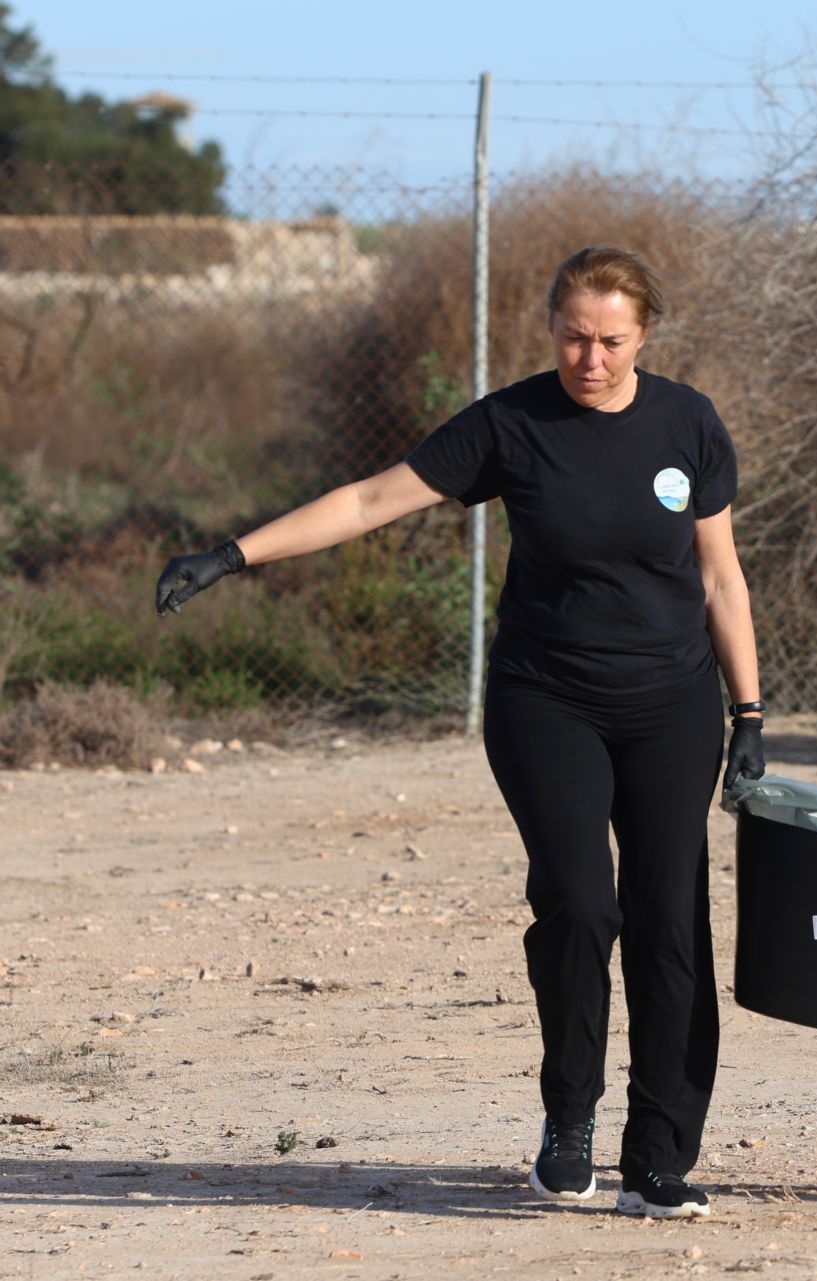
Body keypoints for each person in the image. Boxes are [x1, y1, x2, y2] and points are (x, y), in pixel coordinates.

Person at [153, 246, 764, 1220]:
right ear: (550, 326)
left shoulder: (688, 424)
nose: (589, 358)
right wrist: (234, 553)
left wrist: (751, 712)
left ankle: (659, 1153)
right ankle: (570, 1122)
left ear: (644, 335)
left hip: (671, 706)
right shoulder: (513, 423)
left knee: (669, 918)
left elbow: (722, 577)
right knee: (579, 904)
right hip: (545, 698)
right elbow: (372, 498)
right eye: (573, 336)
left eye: (610, 341)